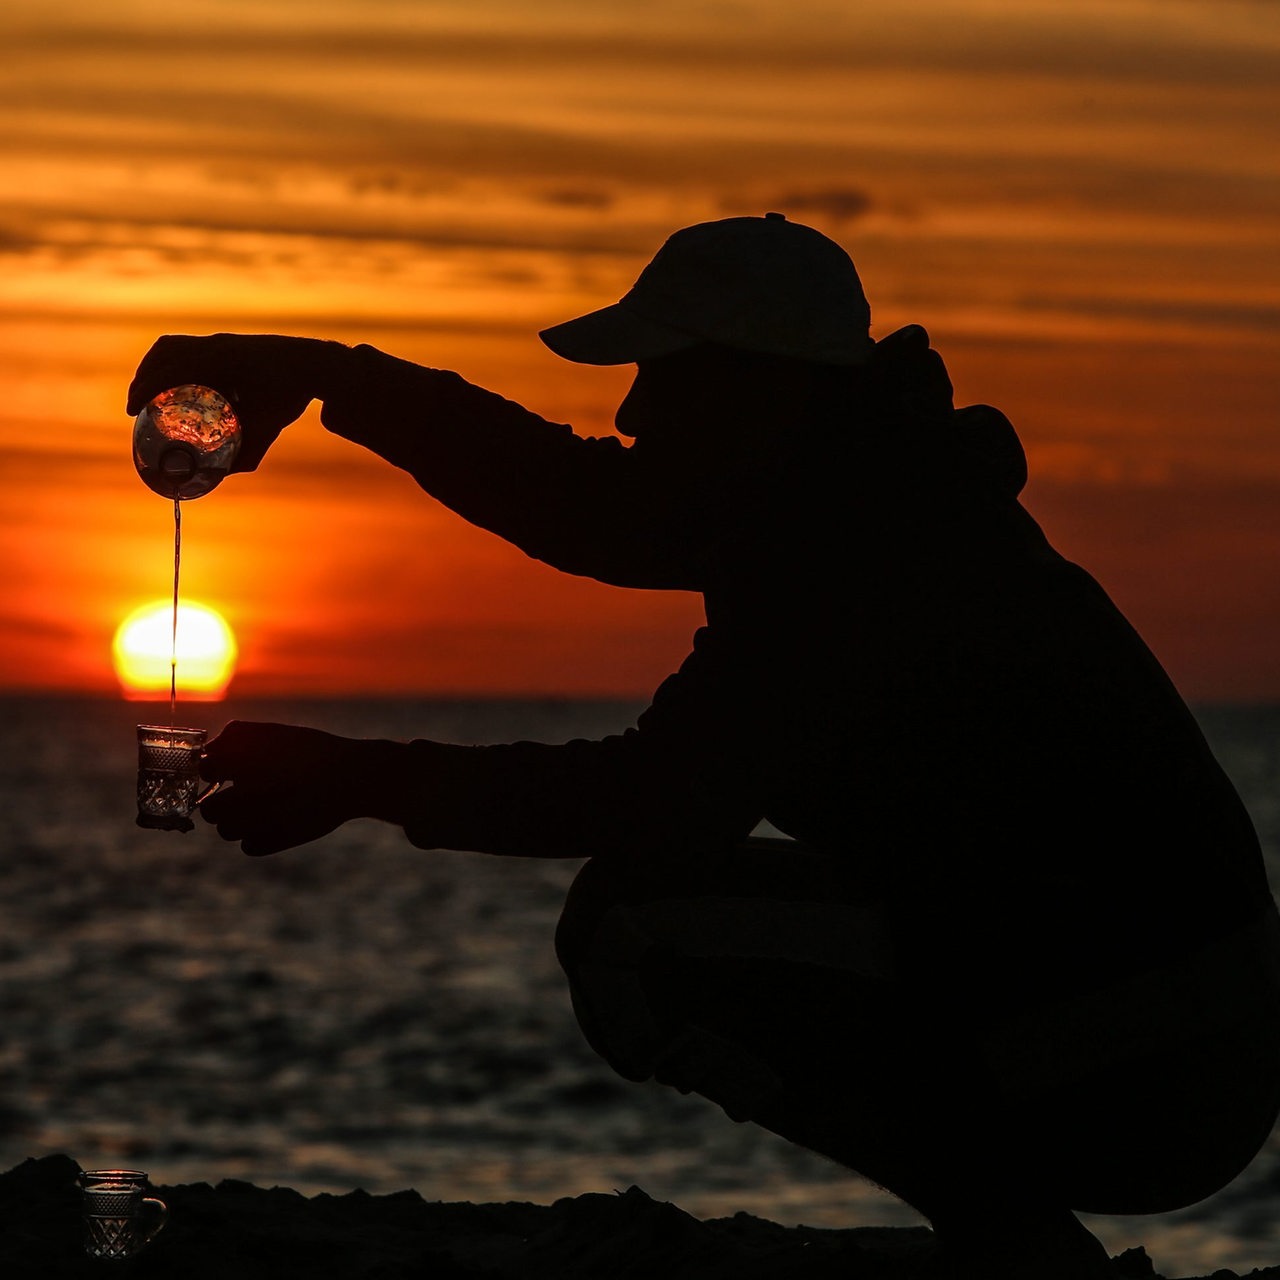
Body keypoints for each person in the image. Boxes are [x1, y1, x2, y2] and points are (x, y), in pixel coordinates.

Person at [128, 214, 1280, 1278]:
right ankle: (1003, 1226)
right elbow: (584, 504)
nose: (630, 414)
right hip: (1153, 1023)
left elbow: (650, 802)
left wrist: (352, 775)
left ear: (751, 385)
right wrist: (329, 373)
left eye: (657, 377)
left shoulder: (857, 549)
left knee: (631, 926)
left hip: (1146, 1057)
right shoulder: (851, 485)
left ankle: (1012, 1242)